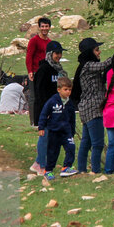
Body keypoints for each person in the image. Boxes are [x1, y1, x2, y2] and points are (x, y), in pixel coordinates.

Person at [71, 37, 114, 175]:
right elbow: (104, 65)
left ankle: (82, 170)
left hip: (86, 109)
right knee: (97, 144)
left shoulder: (84, 65)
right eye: (96, 50)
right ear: (89, 52)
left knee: (86, 142)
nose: (99, 52)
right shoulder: (88, 65)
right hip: (93, 110)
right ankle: (95, 171)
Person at [31, 40, 66, 173]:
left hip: (55, 109)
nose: (59, 56)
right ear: (50, 54)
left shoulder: (57, 69)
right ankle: (40, 164)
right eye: (56, 53)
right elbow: (39, 92)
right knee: (44, 136)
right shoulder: (44, 69)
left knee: (50, 137)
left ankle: (39, 162)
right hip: (45, 110)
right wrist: (46, 111)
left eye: (60, 53)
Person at [38, 76, 78, 180]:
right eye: (65, 89)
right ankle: (48, 171)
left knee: (71, 148)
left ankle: (66, 167)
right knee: (52, 152)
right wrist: (41, 127)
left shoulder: (70, 103)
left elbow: (72, 119)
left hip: (66, 132)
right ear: (59, 89)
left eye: (70, 90)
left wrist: (72, 131)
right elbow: (43, 114)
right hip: (54, 131)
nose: (68, 92)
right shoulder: (52, 101)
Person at [25, 17, 52, 126]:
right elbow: (29, 56)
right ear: (39, 27)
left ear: (49, 27)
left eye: (46, 26)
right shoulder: (34, 40)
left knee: (45, 96)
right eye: (42, 26)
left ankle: (44, 119)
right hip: (36, 72)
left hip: (46, 73)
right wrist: (30, 71)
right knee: (33, 96)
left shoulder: (50, 42)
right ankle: (33, 121)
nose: (44, 28)